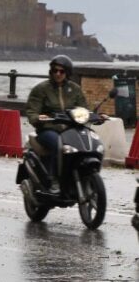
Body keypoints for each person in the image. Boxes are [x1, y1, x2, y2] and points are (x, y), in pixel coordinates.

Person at [25, 54, 88, 194]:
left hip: (70, 129)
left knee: (87, 142)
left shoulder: (75, 89)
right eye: (55, 71)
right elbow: (32, 111)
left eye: (62, 71)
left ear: (68, 73)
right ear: (51, 72)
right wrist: (38, 117)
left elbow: (83, 109)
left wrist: (95, 116)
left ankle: (83, 175)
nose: (58, 74)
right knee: (58, 144)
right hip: (48, 129)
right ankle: (54, 179)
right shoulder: (41, 89)